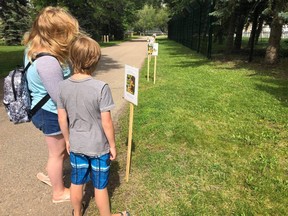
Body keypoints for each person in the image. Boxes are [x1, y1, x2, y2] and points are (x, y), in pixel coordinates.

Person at [57, 35, 130, 216]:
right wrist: (112, 145)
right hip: (98, 147)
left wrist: (67, 140)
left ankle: (76, 212)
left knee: (76, 182)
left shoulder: (62, 87)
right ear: (94, 60)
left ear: (72, 58)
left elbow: (61, 118)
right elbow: (107, 122)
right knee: (99, 186)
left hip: (76, 144)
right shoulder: (101, 87)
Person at [23, 6, 80, 203]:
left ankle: (53, 174)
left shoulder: (34, 49)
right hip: (51, 113)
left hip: (45, 111)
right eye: (67, 32)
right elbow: (60, 98)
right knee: (57, 153)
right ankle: (58, 192)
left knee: (59, 150)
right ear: (57, 33)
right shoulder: (48, 62)